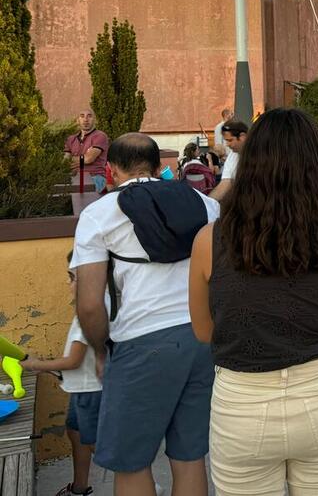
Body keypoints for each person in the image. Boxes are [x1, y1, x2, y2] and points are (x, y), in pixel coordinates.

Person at [188, 108, 318, 495]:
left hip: (242, 401)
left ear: (249, 164)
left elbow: (203, 330)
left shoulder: (208, 241)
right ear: (316, 165)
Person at [72, 133, 220, 496]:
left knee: (131, 462)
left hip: (142, 343)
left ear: (110, 170)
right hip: (202, 339)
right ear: (159, 168)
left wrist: (101, 351)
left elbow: (89, 303)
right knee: (189, 457)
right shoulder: (204, 204)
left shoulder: (99, 214)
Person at [21, 254, 103, 496]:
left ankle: (139, 482)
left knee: (97, 444)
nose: (69, 284)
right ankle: (79, 488)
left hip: (90, 392)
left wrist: (38, 365)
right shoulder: (82, 313)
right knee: (75, 433)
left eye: (72, 278)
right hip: (80, 389)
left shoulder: (88, 315)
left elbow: (73, 360)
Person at [64, 109, 109, 194]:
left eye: (89, 116)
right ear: (78, 120)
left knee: (82, 196)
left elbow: (89, 159)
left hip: (95, 176)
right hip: (74, 176)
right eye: (82, 116)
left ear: (95, 120)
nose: (86, 119)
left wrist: (73, 159)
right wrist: (82, 159)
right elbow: (65, 160)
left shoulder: (100, 136)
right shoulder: (71, 139)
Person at [210, 119, 248, 201]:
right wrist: (207, 203)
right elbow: (226, 183)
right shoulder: (233, 155)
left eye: (230, 140)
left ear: (242, 137)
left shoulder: (260, 153)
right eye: (226, 141)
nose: (227, 144)